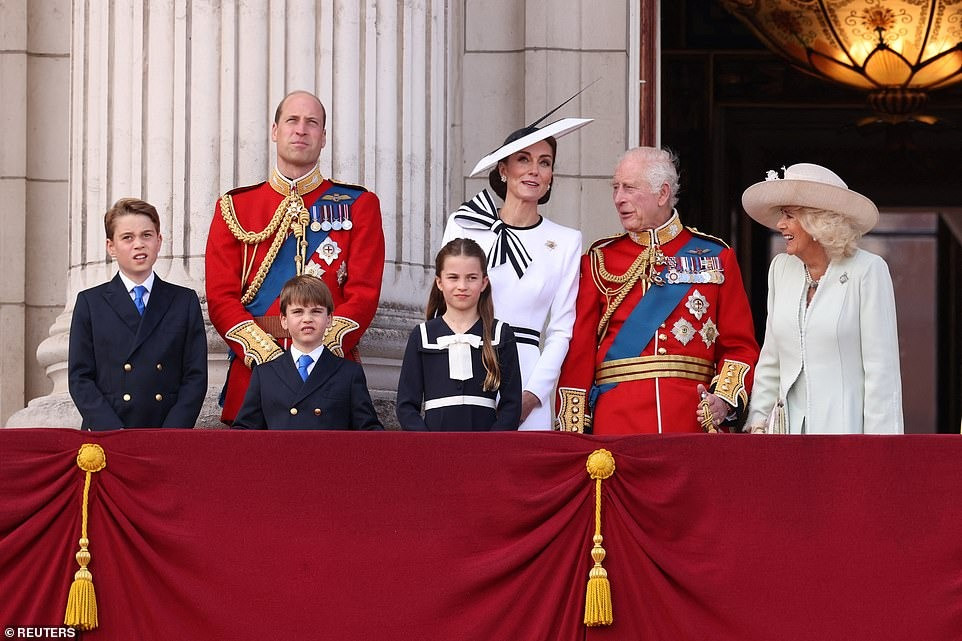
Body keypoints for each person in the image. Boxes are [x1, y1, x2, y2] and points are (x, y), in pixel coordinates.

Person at [206, 90, 385, 425]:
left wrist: (318, 354)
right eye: (292, 120)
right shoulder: (235, 207)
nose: (301, 129)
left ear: (323, 137)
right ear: (275, 131)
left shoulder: (359, 205)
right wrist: (271, 359)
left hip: (330, 379)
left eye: (312, 123)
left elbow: (364, 295)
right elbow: (220, 298)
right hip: (254, 373)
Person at [555, 147, 760, 434]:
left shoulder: (716, 256)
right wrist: (572, 433)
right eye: (615, 188)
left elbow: (739, 346)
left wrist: (723, 401)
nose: (618, 199)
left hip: (691, 422)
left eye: (629, 188)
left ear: (662, 194)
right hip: (616, 424)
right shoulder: (598, 259)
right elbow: (579, 355)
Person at [442, 114, 591, 430]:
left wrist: (533, 395)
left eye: (545, 162)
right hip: (462, 365)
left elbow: (562, 329)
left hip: (526, 373)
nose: (535, 170)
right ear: (503, 169)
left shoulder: (567, 241)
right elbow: (442, 306)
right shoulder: (465, 225)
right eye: (524, 159)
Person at [741, 163, 904, 434]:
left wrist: (879, 452)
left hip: (845, 435)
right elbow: (771, 359)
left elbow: (881, 374)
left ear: (819, 222)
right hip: (786, 438)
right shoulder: (781, 269)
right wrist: (757, 424)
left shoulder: (867, 271)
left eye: (789, 215)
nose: (780, 225)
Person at [68, 198, 208, 430]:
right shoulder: (90, 303)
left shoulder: (184, 301)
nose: (139, 244)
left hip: (166, 435)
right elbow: (80, 378)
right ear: (111, 246)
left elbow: (195, 376)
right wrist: (113, 431)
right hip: (109, 435)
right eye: (127, 237)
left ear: (159, 240)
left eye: (146, 235)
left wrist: (172, 433)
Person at [396, 238, 522, 431]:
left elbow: (511, 404)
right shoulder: (422, 335)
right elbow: (406, 406)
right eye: (453, 277)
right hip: (434, 448)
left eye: (471, 278)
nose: (462, 286)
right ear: (439, 282)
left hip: (486, 449)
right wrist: (426, 442)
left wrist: (493, 444)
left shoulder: (501, 334)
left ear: (483, 282)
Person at [232, 275, 382, 430]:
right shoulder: (264, 374)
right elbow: (245, 433)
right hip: (280, 454)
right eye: (298, 312)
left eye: (316, 311)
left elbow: (369, 432)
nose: (307, 319)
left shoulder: (349, 373)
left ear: (329, 319)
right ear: (284, 320)